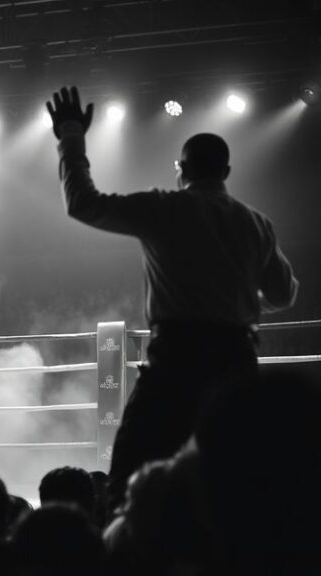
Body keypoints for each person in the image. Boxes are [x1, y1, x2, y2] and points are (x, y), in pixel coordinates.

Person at [46, 86, 299, 509]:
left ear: (181, 169)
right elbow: (283, 294)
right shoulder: (256, 223)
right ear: (226, 170)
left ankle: (125, 539)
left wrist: (71, 137)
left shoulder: (164, 207)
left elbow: (83, 204)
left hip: (177, 357)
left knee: (131, 470)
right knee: (237, 474)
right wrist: (237, 297)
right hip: (236, 357)